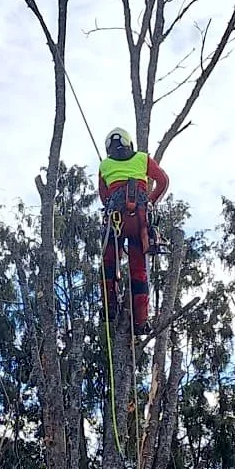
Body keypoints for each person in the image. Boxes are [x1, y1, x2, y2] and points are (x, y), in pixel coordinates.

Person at [98, 127, 169, 334]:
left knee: (109, 263)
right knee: (139, 270)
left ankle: (110, 307)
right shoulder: (142, 158)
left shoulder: (105, 165)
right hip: (139, 221)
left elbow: (104, 198)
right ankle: (140, 321)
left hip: (116, 221)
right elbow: (163, 182)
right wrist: (150, 202)